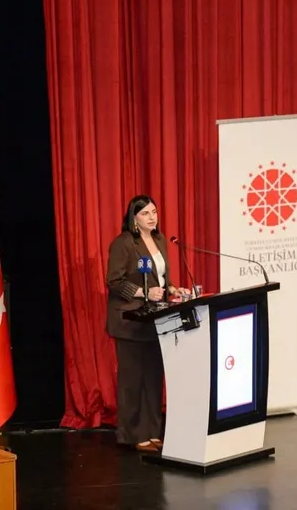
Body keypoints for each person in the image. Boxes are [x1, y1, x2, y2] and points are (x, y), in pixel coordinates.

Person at [105, 194, 190, 453]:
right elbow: (114, 282)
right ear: (134, 218)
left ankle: (152, 432)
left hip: (154, 318)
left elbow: (161, 278)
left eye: (154, 212)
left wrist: (173, 289)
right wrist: (144, 292)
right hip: (130, 320)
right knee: (133, 380)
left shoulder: (160, 239)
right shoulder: (123, 243)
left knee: (153, 379)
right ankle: (132, 434)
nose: (152, 217)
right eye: (145, 213)